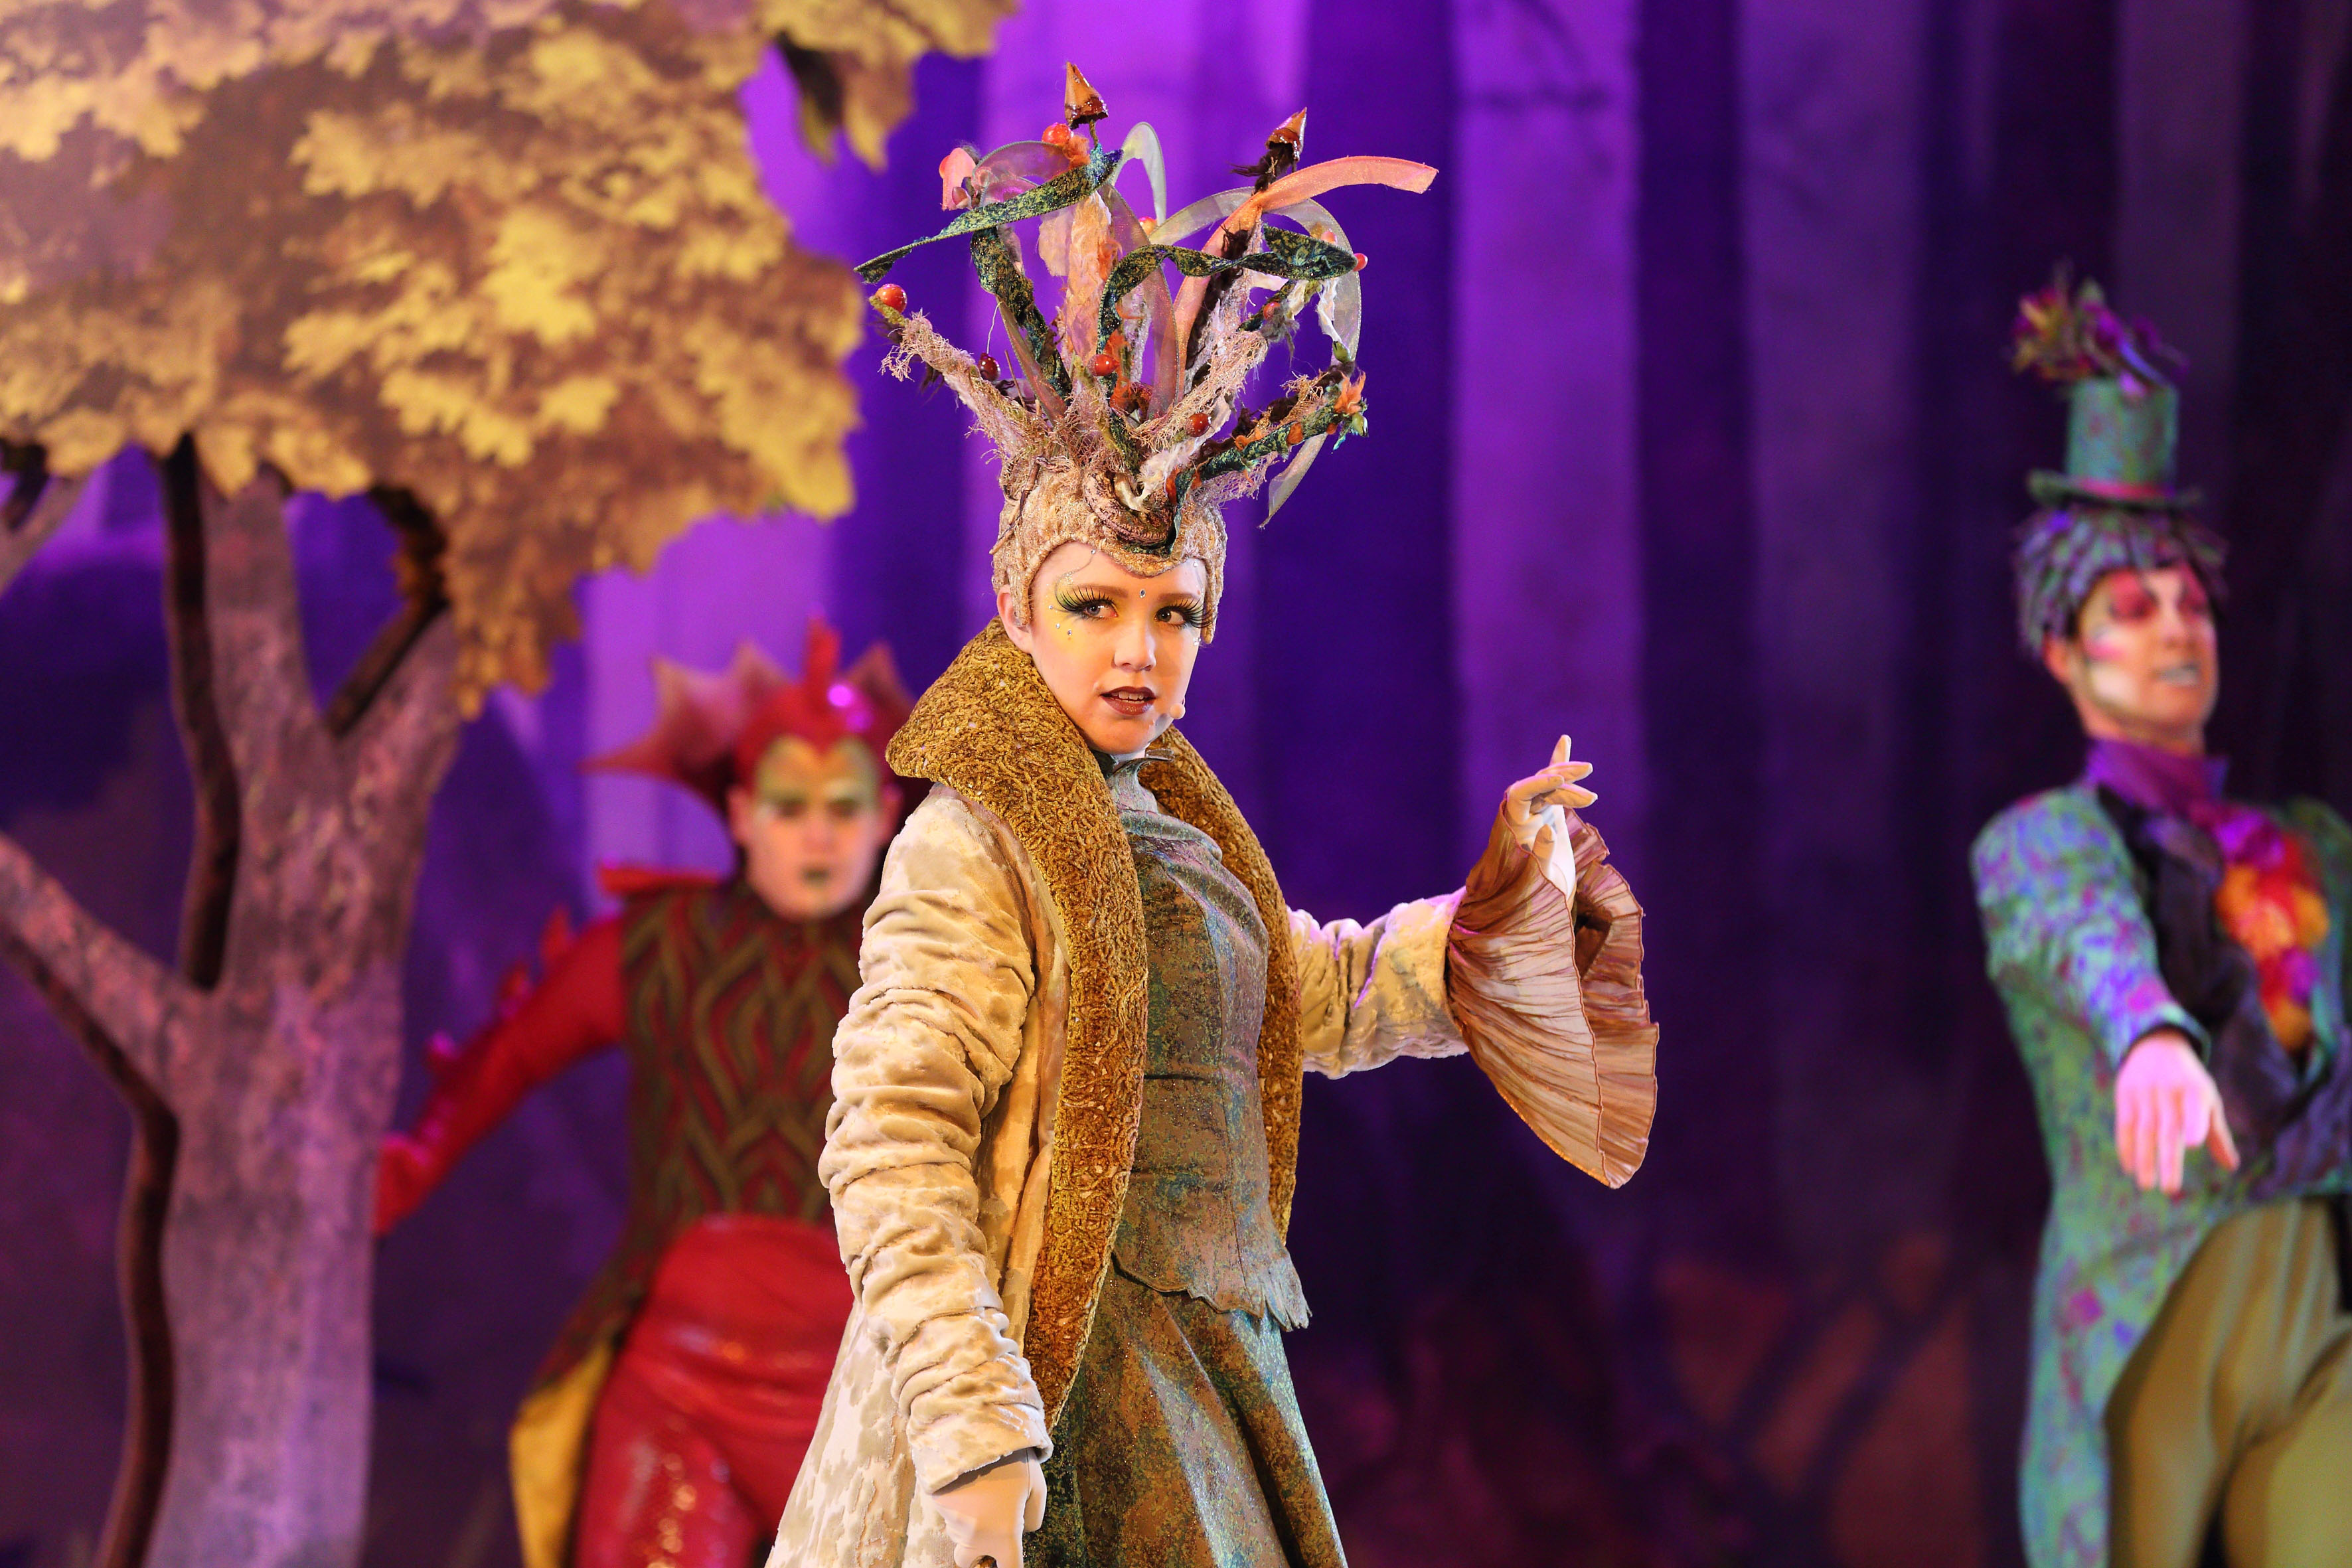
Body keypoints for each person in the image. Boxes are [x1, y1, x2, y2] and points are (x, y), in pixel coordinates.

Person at [771, 67, 1659, 1568]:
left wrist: (1488, 926)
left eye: (1171, 611)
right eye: (1094, 607)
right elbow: (894, 1134)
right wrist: (973, 1420)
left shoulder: (1177, 837)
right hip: (1046, 1388)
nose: (1137, 649)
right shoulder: (974, 842)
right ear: (1018, 608)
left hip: (1193, 1377)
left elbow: (1298, 997)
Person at [374, 619, 911, 1568]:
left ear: (884, 816)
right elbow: (514, 1054)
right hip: (679, 1390)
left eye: (844, 805)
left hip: (866, 1397)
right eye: (790, 805)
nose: (819, 833)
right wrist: (413, 1164)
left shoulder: (927, 971)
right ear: (741, 814)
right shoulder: (661, 949)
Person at [1972, 272, 2352, 1568]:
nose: (2175, 630)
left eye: (2188, 601)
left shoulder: (2311, 844)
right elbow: (2079, 928)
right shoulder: (2044, 842)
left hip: (2313, 1325)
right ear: (2063, 655)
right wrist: (2144, 1031)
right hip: (2141, 1327)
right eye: (2131, 612)